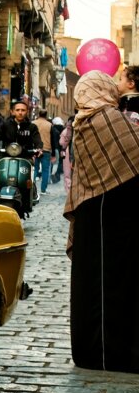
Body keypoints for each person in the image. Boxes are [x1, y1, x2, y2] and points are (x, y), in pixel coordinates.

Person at [63, 70, 139, 372]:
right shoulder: (109, 118)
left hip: (90, 213)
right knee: (121, 283)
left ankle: (91, 352)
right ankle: (119, 353)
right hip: (119, 213)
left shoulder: (81, 121)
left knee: (90, 285)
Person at [33, 109, 53, 194]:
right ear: (46, 115)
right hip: (46, 149)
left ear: (39, 114)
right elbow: (52, 138)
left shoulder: (33, 123)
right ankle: (43, 189)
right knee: (45, 170)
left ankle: (32, 187)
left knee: (35, 169)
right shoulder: (49, 125)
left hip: (35, 149)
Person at [50, 116, 64, 184]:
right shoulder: (62, 130)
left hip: (51, 148)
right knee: (57, 163)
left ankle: (51, 174)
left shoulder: (52, 129)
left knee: (51, 163)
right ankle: (55, 175)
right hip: (59, 148)